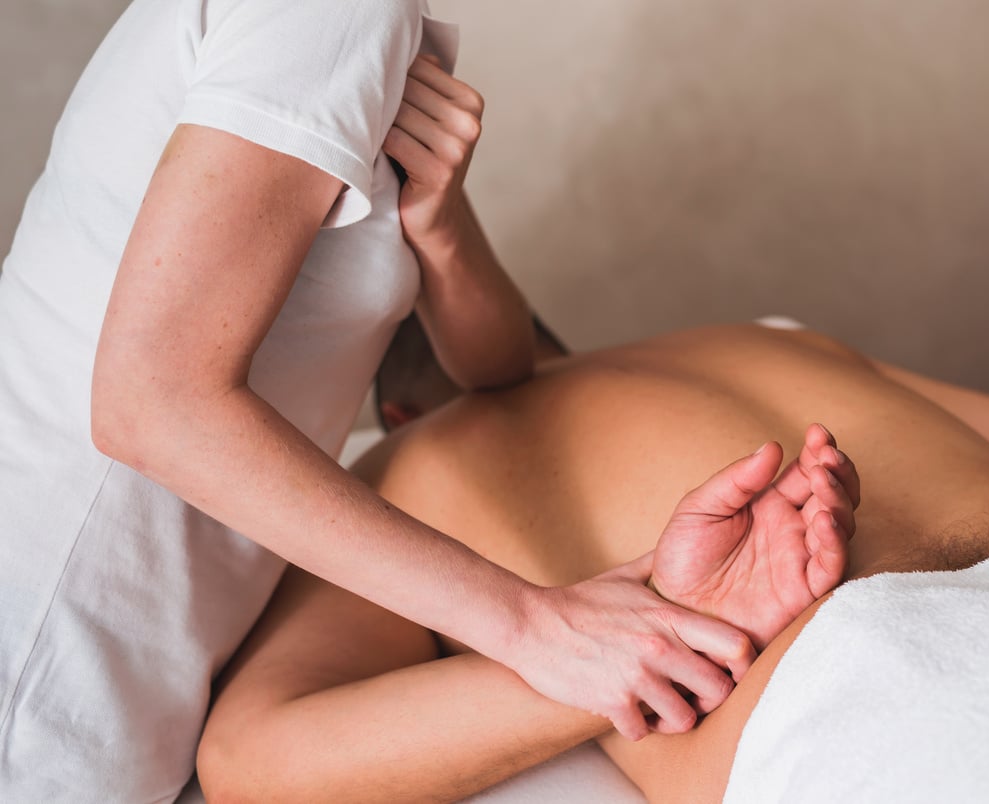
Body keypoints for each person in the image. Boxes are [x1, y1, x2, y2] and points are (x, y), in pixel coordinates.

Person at [0, 3, 755, 799]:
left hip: (118, 672)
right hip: (41, 656)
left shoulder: (367, 28)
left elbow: (497, 368)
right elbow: (151, 404)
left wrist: (439, 219)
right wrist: (536, 628)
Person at [196, 319, 989, 802]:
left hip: (915, 710)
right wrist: (638, 637)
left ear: (391, 407)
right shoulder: (760, 335)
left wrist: (667, 645)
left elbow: (254, 761)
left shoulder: (408, 463)